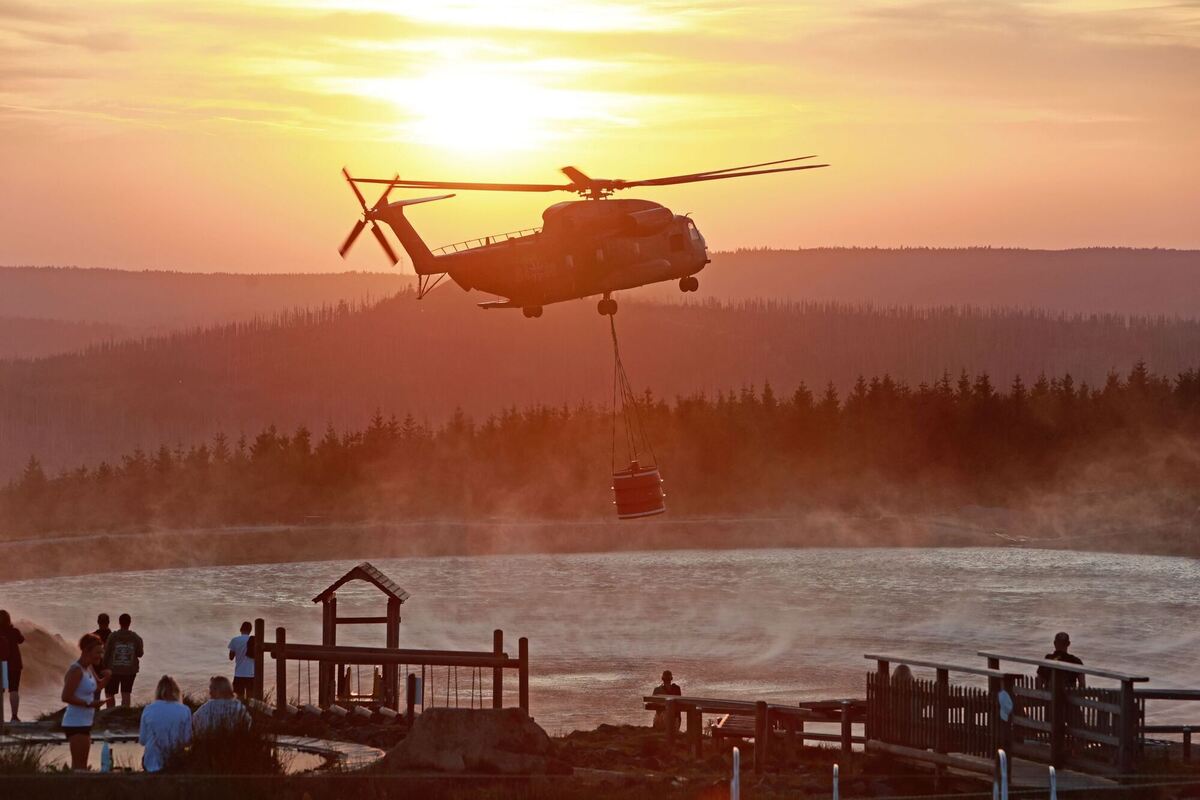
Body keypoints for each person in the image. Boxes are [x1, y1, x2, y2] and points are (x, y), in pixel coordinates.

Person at [61, 633, 111, 771]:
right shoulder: (76, 670)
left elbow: (97, 687)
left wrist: (107, 678)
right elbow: (65, 696)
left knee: (82, 766)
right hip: (75, 722)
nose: (100, 656)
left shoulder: (88, 668)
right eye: (97, 652)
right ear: (86, 651)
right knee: (79, 767)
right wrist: (89, 704)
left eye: (101, 652)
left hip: (85, 721)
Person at [138, 675, 192, 773]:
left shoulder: (148, 709)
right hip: (176, 761)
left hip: (151, 763)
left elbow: (142, 740)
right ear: (176, 691)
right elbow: (187, 740)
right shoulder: (184, 710)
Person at [102, 613, 144, 708]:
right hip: (129, 670)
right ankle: (124, 713)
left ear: (119, 623)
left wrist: (104, 666)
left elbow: (106, 652)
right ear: (129, 623)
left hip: (113, 669)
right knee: (126, 693)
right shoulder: (136, 637)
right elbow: (140, 654)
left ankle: (110, 713)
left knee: (109, 693)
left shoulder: (112, 636)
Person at [0, 610, 26, 722]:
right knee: (14, 690)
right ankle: (14, 717)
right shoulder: (14, 631)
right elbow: (21, 640)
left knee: (1, 690)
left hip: (2, 665)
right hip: (14, 665)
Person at [228, 621, 256, 699]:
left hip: (239, 674)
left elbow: (231, 657)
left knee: (239, 698)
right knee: (251, 699)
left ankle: (240, 711)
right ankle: (250, 711)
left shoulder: (235, 640)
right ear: (250, 630)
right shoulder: (254, 641)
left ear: (241, 629)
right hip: (251, 673)